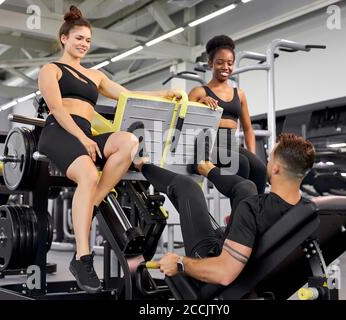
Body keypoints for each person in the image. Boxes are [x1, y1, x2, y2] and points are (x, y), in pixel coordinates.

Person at [37, 5, 182, 294]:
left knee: (128, 141)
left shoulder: (95, 75)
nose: (84, 45)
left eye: (88, 41)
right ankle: (83, 258)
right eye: (79, 38)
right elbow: (55, 108)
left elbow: (128, 94)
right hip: (59, 132)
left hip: (85, 134)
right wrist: (83, 138)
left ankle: (90, 203)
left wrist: (163, 94)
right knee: (88, 176)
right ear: (64, 38)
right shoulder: (51, 69)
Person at [135, 133, 314, 288]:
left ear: (275, 168)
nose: (267, 160)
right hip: (249, 261)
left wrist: (179, 262)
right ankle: (203, 166)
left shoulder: (252, 209)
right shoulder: (305, 210)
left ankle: (141, 164)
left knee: (188, 187)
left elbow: (224, 273)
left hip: (212, 263)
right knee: (246, 186)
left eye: (270, 157)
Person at [188, 35, 266, 194]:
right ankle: (240, 214)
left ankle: (256, 214)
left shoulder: (240, 94)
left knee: (260, 169)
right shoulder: (199, 92)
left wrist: (253, 156)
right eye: (220, 62)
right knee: (242, 164)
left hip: (231, 144)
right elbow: (185, 124)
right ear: (210, 63)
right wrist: (199, 103)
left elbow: (248, 130)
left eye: (230, 63)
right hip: (210, 144)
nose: (226, 67)